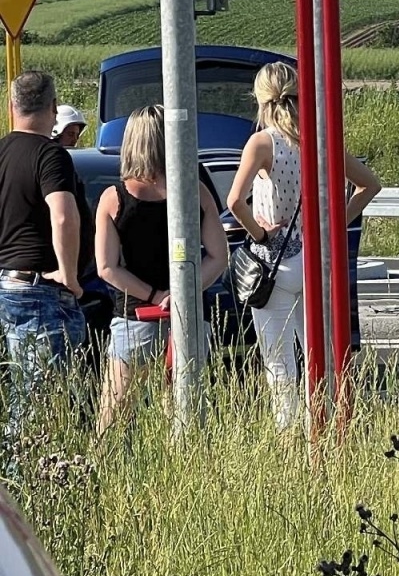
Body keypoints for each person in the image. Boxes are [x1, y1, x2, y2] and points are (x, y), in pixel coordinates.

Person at [226, 63, 382, 433]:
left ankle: (289, 438)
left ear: (260, 99)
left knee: (280, 364)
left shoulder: (263, 143)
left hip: (274, 264)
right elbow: (370, 185)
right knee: (320, 354)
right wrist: (330, 229)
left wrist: (261, 235)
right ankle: (328, 426)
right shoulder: (320, 139)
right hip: (314, 259)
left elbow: (235, 201)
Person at [93, 106, 230, 433]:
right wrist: (182, 293)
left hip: (135, 315)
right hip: (190, 316)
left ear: (132, 143)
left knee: (114, 411)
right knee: (183, 410)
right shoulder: (195, 192)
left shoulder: (115, 198)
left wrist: (156, 296)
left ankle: (101, 474)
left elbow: (107, 268)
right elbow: (218, 256)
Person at [0, 72, 86, 432]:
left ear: (11, 107)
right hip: (37, 292)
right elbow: (64, 216)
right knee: (38, 409)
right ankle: (27, 485)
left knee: (20, 401)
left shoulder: (2, 151)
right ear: (53, 109)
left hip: (6, 284)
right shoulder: (51, 155)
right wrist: (68, 273)